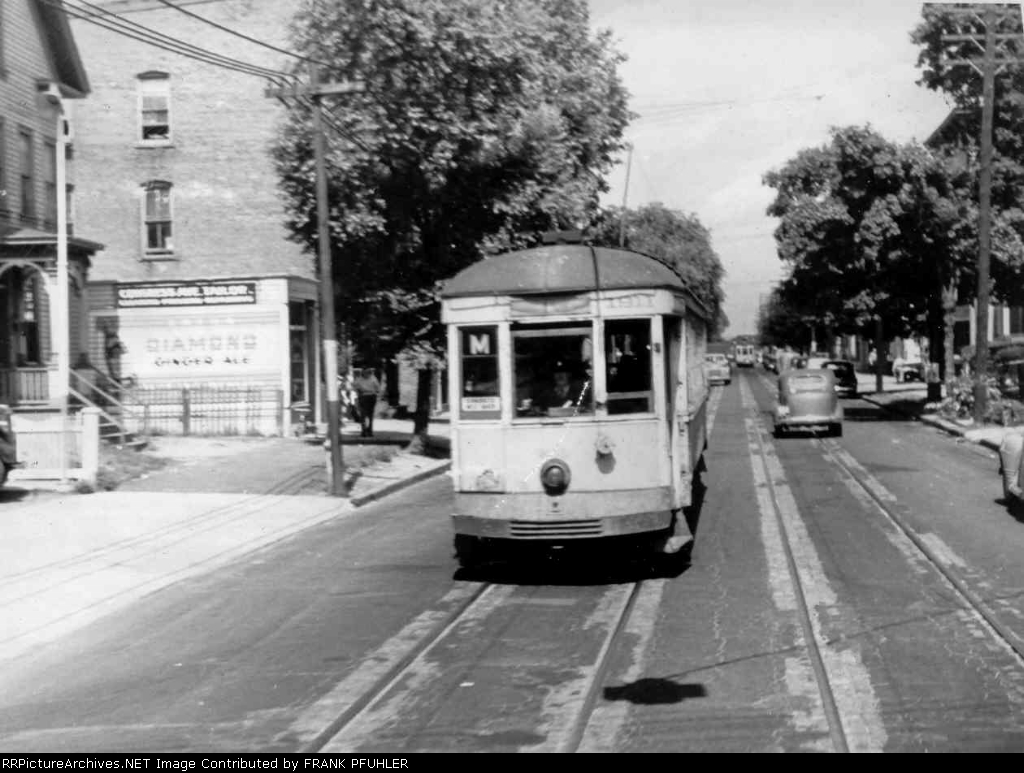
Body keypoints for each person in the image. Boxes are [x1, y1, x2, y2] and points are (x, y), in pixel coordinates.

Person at [353, 367, 381, 438]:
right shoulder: (373, 378)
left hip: (364, 397)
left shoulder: (359, 379)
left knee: (364, 415)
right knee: (369, 415)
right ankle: (368, 431)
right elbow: (378, 389)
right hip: (370, 397)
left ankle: (365, 431)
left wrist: (359, 390)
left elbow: (354, 386)